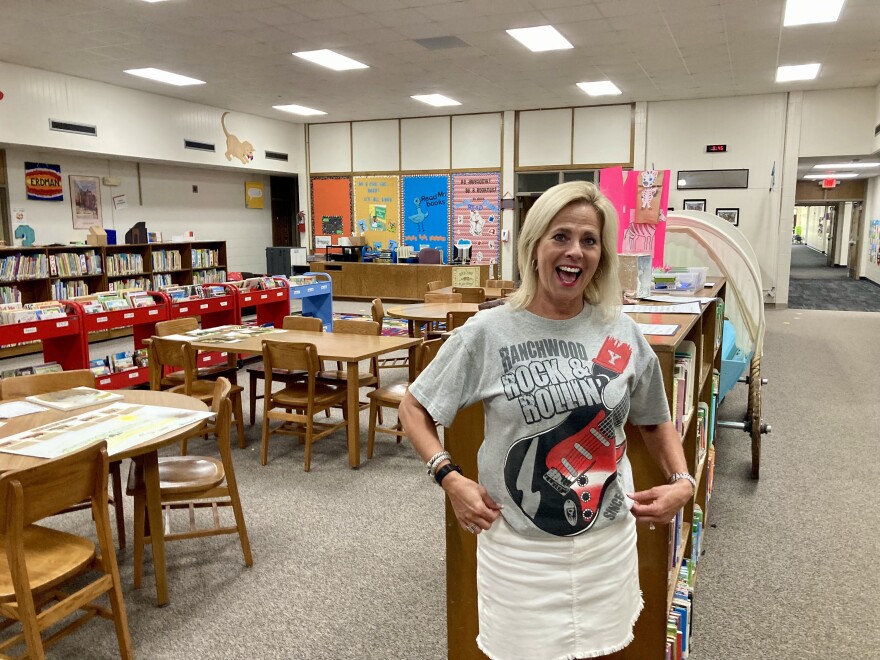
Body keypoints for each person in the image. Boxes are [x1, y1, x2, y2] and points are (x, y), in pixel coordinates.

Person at [399, 181, 695, 660]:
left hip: (606, 544)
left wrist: (683, 480)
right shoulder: (488, 332)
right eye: (560, 236)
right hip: (519, 551)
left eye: (589, 240)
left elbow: (654, 421)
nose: (575, 252)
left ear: (602, 255)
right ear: (534, 245)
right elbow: (414, 408)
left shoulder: (621, 331)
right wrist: (449, 478)